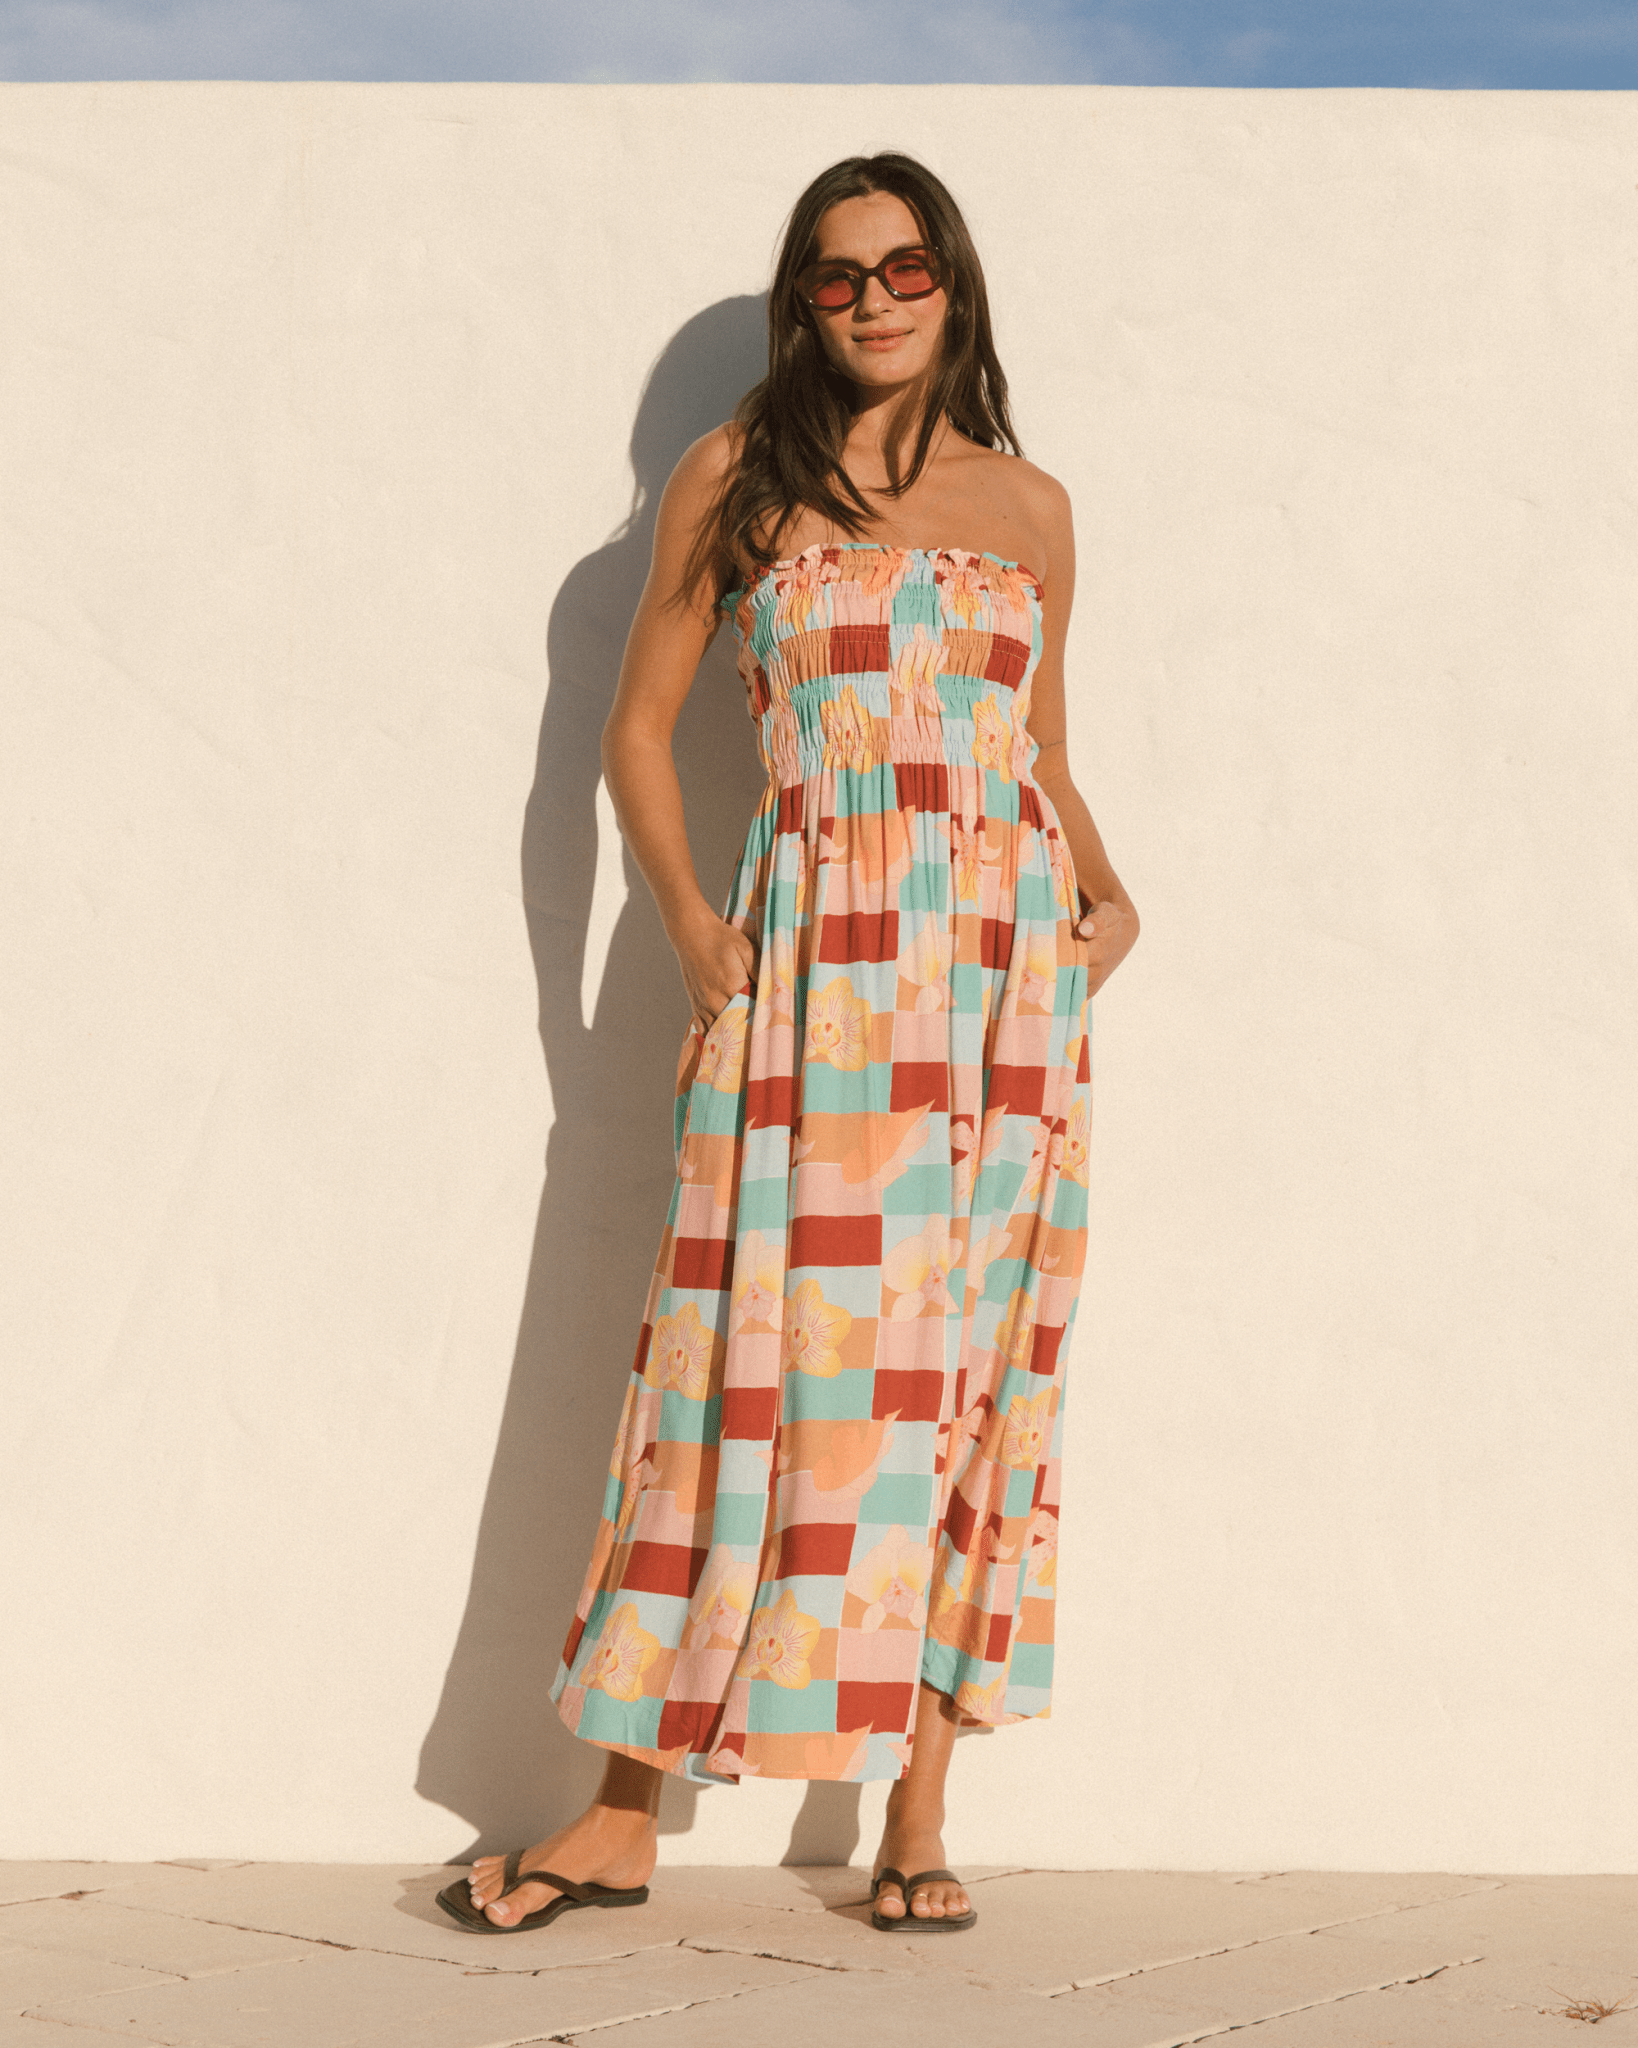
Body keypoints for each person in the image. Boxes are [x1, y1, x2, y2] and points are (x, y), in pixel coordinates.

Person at [438, 150, 1139, 1940]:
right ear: (801, 303)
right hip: (815, 973)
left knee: (961, 1371)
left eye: (904, 268)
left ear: (952, 282)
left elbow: (1040, 752)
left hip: (999, 993)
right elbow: (636, 732)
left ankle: (915, 1812)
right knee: (732, 1359)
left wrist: (1111, 894)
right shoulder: (735, 476)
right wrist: (693, 931)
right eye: (836, 275)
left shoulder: (1031, 506)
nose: (873, 299)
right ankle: (618, 1815)